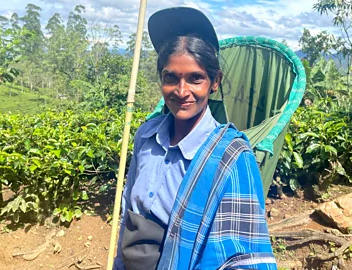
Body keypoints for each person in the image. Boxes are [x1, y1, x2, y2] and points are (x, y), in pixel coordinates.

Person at [114, 7, 277, 270]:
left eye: (195, 79)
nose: (181, 91)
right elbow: (126, 217)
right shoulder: (146, 136)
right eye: (171, 78)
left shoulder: (232, 158)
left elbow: (240, 257)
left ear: (214, 82)